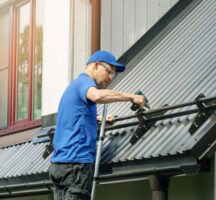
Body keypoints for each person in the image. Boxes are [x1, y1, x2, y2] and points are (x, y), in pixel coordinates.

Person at [49, 50, 145, 200]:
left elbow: (72, 118)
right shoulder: (85, 82)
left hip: (60, 165)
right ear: (95, 65)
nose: (110, 77)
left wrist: (97, 118)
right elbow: (98, 96)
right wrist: (132, 97)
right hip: (76, 165)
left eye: (113, 74)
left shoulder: (72, 87)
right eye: (109, 71)